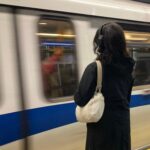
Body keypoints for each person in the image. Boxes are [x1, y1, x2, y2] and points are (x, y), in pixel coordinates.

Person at [74, 22, 135, 150]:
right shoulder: (128, 67)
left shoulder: (95, 68)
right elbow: (126, 98)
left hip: (102, 133)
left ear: (99, 43)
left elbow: (80, 99)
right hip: (122, 130)